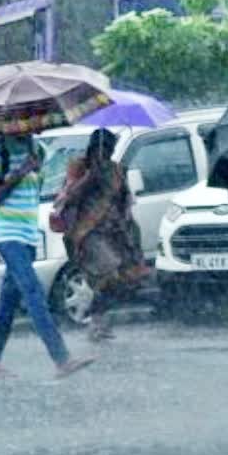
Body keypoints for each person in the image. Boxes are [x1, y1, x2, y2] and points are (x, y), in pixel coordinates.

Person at [0, 134, 94, 379]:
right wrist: (20, 172)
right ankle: (62, 358)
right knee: (34, 292)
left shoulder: (37, 149)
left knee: (8, 300)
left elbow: (35, 191)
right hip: (7, 234)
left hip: (28, 233)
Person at [57, 129, 148, 342]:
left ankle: (99, 319)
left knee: (127, 279)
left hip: (116, 232)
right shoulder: (78, 168)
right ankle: (96, 322)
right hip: (88, 233)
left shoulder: (116, 171)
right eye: (104, 149)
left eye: (110, 150)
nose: (107, 154)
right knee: (109, 272)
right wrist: (89, 178)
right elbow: (65, 199)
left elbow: (125, 200)